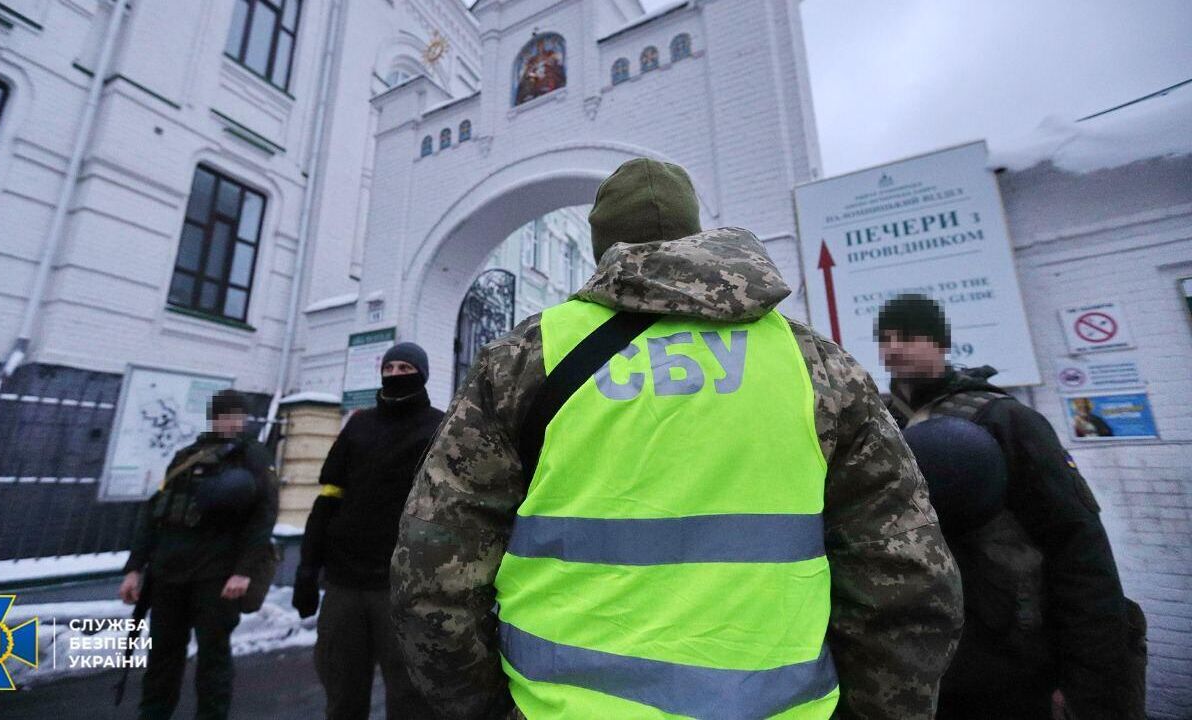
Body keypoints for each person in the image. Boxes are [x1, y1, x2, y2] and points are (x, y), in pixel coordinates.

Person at [390, 158, 963, 719]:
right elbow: (907, 576)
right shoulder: (817, 366)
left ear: (603, 248)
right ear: (696, 233)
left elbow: (433, 571)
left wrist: (483, 704)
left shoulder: (524, 361)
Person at [876, 293, 1136, 719]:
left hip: (1008, 663)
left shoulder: (1004, 420)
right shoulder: (883, 424)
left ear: (941, 343)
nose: (895, 348)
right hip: (916, 662)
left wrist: (1089, 685)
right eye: (886, 338)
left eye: (909, 336)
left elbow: (1077, 546)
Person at [293, 343, 444, 720]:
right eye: (389, 366)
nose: (395, 373)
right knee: (342, 689)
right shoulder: (359, 426)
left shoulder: (439, 427)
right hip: (345, 584)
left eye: (405, 367)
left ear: (421, 374)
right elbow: (327, 499)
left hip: (403, 587)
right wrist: (308, 569)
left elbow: (452, 511)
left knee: (410, 697)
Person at [119, 389, 279, 720]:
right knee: (162, 656)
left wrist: (244, 571)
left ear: (245, 419)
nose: (230, 421)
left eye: (237, 415)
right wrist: (135, 567)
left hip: (216, 575)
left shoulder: (253, 457)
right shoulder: (184, 456)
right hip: (167, 573)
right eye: (223, 414)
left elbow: (263, 517)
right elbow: (155, 514)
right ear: (213, 417)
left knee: (213, 659)